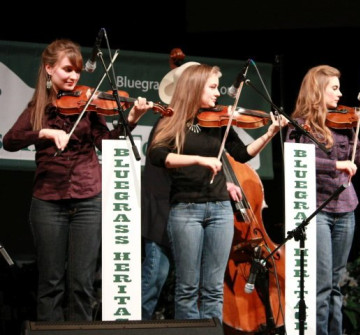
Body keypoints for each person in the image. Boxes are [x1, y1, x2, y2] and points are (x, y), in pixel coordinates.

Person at [3, 39, 151, 321]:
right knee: (51, 283)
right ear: (49, 69)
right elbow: (10, 140)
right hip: (48, 200)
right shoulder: (38, 108)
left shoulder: (89, 103)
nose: (73, 76)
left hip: (87, 199)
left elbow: (106, 141)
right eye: (67, 69)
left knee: (82, 283)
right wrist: (44, 133)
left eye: (77, 71)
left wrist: (130, 119)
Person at [148, 63, 287, 321]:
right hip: (186, 209)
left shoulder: (218, 120)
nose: (217, 93)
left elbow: (241, 154)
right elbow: (158, 156)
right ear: (194, 87)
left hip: (220, 209)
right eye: (212, 87)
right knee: (187, 289)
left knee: (213, 290)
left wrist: (270, 133)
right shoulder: (171, 119)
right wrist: (200, 160)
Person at [284, 65, 360, 335]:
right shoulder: (299, 127)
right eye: (334, 88)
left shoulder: (344, 124)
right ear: (317, 91)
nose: (340, 94)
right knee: (321, 285)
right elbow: (297, 160)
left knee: (336, 285)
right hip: (317, 210)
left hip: (346, 208)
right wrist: (336, 165)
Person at [141, 61, 199, 320]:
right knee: (155, 276)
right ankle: (135, 325)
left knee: (183, 282)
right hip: (165, 211)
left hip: (185, 212)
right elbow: (159, 171)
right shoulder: (168, 122)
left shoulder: (195, 125)